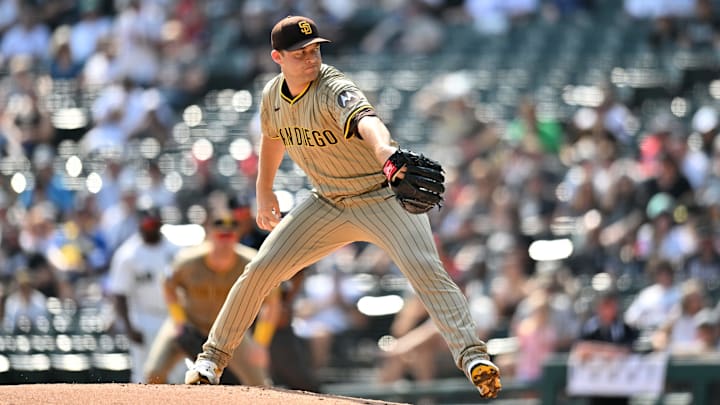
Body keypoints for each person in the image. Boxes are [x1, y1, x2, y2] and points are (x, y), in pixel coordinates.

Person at [184, 15, 501, 398]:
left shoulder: (333, 86)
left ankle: (472, 356)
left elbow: (366, 120)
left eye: (315, 49)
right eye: (300, 52)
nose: (311, 57)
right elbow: (272, 138)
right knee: (261, 269)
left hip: (380, 196)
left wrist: (383, 150)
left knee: (425, 270)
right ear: (277, 57)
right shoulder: (273, 95)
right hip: (327, 201)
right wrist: (263, 190)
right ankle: (210, 361)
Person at [144, 210, 273, 386]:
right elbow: (168, 285)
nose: (224, 242)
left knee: (259, 384)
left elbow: (272, 303)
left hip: (230, 330)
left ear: (237, 236)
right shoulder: (188, 261)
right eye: (220, 236)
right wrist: (179, 320)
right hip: (191, 323)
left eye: (229, 236)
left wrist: (260, 342)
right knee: (153, 373)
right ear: (210, 235)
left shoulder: (251, 263)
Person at [106, 208, 179, 383]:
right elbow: (119, 294)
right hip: (143, 318)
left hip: (172, 317)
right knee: (144, 375)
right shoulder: (128, 254)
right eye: (147, 224)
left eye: (154, 224)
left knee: (178, 374)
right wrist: (129, 327)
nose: (150, 228)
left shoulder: (175, 250)